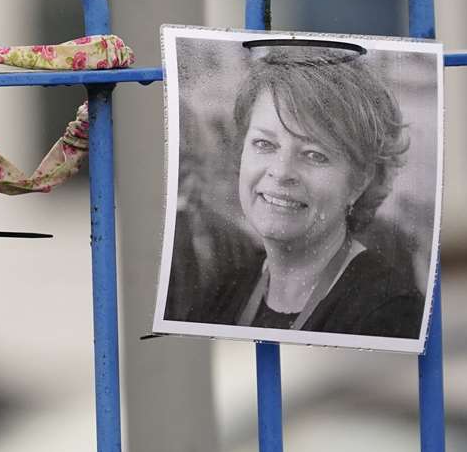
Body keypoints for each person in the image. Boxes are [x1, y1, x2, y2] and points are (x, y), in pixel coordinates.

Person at [177, 46, 425, 339]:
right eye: (264, 144)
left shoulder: (390, 311)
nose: (281, 172)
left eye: (314, 154)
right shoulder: (226, 292)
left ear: (360, 180)